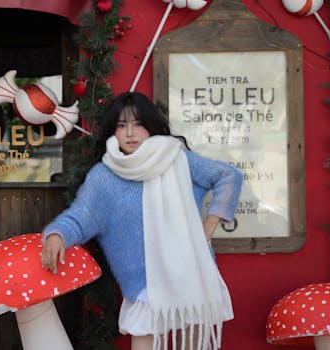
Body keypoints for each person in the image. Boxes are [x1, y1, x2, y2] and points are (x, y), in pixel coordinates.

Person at [41, 92, 243, 350]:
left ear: (151, 126)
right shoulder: (104, 177)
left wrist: (209, 225)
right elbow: (79, 218)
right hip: (144, 284)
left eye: (138, 124)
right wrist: (57, 234)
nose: (130, 133)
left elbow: (228, 177)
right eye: (122, 125)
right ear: (113, 131)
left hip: (189, 272)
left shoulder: (177, 159)